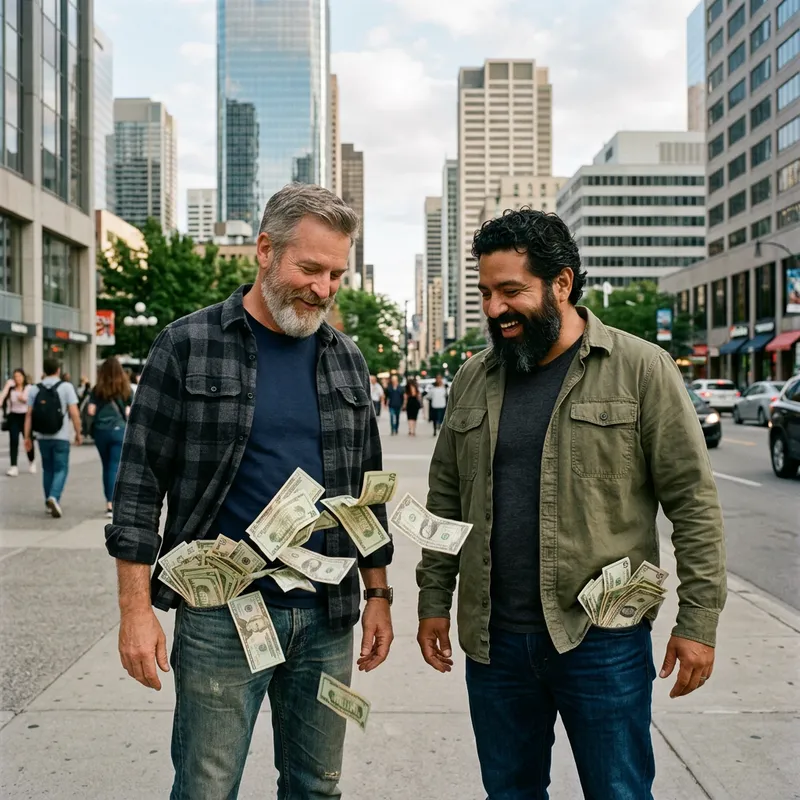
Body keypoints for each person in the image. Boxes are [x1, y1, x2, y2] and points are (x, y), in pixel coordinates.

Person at [416, 208, 726, 799]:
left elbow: (692, 502)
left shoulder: (641, 369)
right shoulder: (474, 379)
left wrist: (699, 622)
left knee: (618, 792)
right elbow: (446, 499)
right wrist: (435, 597)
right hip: (494, 643)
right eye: (485, 292)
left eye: (511, 291)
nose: (494, 309)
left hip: (601, 639)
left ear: (562, 283)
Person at [106, 183, 395, 800]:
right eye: (310, 268)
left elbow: (367, 494)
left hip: (326, 618)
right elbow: (137, 485)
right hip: (220, 619)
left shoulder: (346, 359)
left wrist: (379, 596)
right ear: (265, 250)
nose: (324, 289)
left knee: (317, 786)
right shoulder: (187, 344)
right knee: (208, 787)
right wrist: (135, 610)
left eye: (336, 274)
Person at [24, 358, 82, 518]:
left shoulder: (35, 389)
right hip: (61, 435)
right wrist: (78, 433)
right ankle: (54, 497)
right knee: (61, 468)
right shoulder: (66, 387)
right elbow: (74, 413)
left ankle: (48, 502)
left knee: (47, 469)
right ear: (58, 370)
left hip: (42, 436)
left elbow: (29, 414)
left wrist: (27, 436)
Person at [88, 357, 132, 518]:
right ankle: (113, 503)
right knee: (115, 466)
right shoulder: (125, 388)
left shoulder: (97, 389)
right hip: (120, 430)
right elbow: (131, 410)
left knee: (106, 466)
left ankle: (109, 502)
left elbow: (91, 410)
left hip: (101, 431)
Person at [1, 369, 37, 476]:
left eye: (20, 376)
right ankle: (13, 466)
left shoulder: (29, 388)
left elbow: (33, 402)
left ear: (24, 377)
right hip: (14, 416)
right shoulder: (11, 389)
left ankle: (31, 461)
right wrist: (6, 387)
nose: (18, 379)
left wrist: (24, 400)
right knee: (13, 440)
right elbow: (1, 400)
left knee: (28, 440)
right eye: (15, 376)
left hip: (26, 416)